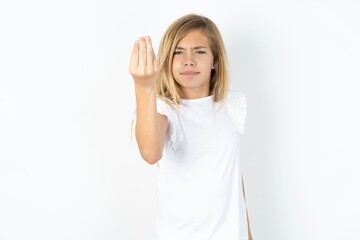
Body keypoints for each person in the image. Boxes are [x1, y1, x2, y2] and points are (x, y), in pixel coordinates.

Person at [129, 13, 253, 240]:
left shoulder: (232, 104)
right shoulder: (163, 110)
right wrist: (144, 87)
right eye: (179, 52)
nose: (188, 60)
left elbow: (232, 174)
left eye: (199, 51)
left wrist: (248, 233)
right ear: (168, 59)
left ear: (215, 60)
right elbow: (150, 153)